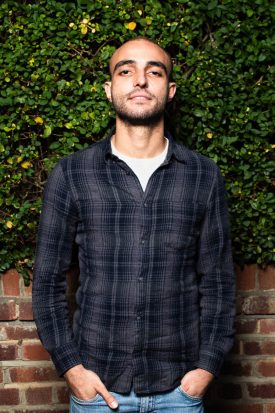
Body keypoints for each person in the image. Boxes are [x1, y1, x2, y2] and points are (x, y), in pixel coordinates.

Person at [32, 37, 235, 413]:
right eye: (126, 71)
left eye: (153, 72)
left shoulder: (204, 176)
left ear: (170, 90)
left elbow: (219, 284)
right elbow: (46, 281)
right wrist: (72, 368)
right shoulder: (73, 174)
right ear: (110, 88)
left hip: (180, 392)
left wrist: (206, 369)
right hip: (97, 390)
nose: (140, 80)